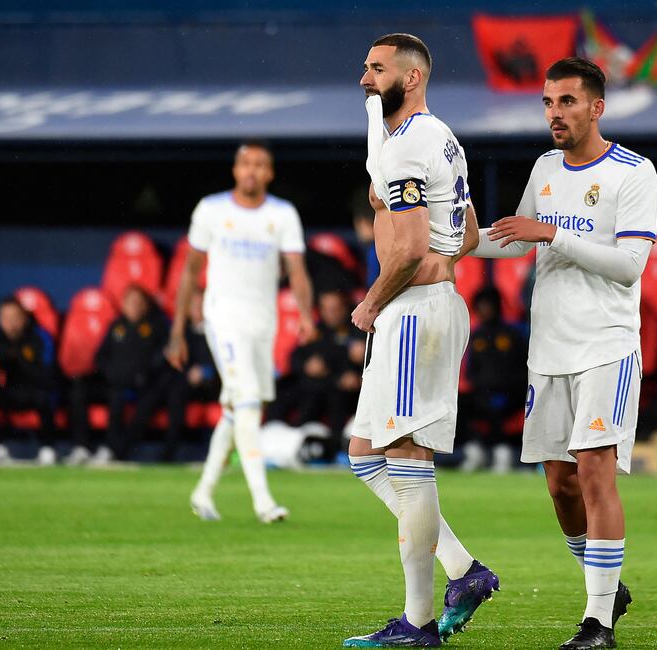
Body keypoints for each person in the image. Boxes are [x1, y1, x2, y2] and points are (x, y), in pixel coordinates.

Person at [471, 57, 657, 649]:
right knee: (561, 484)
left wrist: (554, 233)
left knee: (596, 471)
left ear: (596, 107)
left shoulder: (634, 173)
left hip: (606, 344)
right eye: (549, 102)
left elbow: (629, 267)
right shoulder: (545, 167)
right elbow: (514, 237)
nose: (555, 113)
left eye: (568, 102)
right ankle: (607, 583)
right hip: (548, 348)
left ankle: (597, 622)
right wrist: (452, 237)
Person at [343, 34, 498, 648]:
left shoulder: (412, 144)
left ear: (409, 78)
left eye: (375, 69)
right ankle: (462, 570)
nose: (363, 79)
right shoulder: (436, 139)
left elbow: (409, 248)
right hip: (420, 307)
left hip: (412, 312)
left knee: (407, 458)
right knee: (364, 453)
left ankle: (419, 622)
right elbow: (460, 234)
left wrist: (372, 302)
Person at [166, 141, 315, 524]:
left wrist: (305, 315)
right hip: (223, 317)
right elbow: (190, 272)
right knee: (247, 400)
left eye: (259, 165)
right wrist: (178, 330)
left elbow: (296, 270)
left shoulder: (282, 214)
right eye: (245, 164)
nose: (251, 171)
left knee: (239, 408)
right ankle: (263, 502)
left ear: (269, 173)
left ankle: (203, 492)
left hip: (262, 322)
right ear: (235, 170)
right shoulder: (211, 210)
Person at [93, 285, 186, 463]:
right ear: (123, 304)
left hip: (148, 382)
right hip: (119, 382)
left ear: (145, 305)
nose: (134, 306)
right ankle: (109, 447)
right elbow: (101, 357)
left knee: (148, 404)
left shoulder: (157, 325)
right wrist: (113, 374)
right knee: (114, 397)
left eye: (138, 302)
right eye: (130, 302)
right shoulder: (116, 326)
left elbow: (163, 355)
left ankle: (119, 451)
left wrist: (145, 373)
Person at [268, 289, 364, 458]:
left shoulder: (359, 333)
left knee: (336, 396)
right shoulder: (315, 332)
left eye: (336, 309)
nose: (331, 314)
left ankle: (338, 447)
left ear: (345, 308)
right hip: (316, 387)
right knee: (286, 391)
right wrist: (306, 365)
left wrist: (360, 370)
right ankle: (277, 440)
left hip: (348, 392)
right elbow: (295, 359)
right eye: (326, 309)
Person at [460, 286, 528, 473]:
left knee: (496, 406)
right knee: (461, 403)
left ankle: (501, 454)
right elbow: (471, 371)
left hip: (512, 392)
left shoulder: (513, 334)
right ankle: (474, 451)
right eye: (480, 305)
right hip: (482, 392)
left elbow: (523, 368)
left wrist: (504, 387)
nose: (484, 310)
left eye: (487, 305)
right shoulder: (477, 335)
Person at [0, 297, 57, 465]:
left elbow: (46, 371)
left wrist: (19, 359)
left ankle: (48, 448)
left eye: (15, 318)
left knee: (45, 396)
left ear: (24, 318)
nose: (11, 323)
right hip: (8, 392)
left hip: (34, 389)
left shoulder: (38, 337)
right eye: (6, 318)